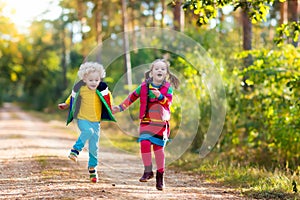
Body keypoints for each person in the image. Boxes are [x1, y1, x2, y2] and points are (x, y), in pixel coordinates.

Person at [112, 59, 180, 190]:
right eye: (157, 69)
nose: (160, 71)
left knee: (159, 151)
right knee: (144, 142)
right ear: (151, 72)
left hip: (160, 124)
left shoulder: (168, 89)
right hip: (146, 121)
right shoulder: (143, 87)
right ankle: (148, 170)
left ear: (166, 73)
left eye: (163, 69)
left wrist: (160, 96)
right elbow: (132, 97)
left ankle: (160, 177)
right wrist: (120, 107)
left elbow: (168, 103)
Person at [58, 62, 116, 183]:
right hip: (83, 119)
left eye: (97, 80)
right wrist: (66, 104)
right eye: (91, 80)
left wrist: (112, 107)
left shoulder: (102, 89)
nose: (94, 82)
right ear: (84, 79)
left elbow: (108, 99)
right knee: (87, 131)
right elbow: (72, 97)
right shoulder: (81, 88)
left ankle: (92, 169)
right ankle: (75, 150)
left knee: (94, 147)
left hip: (96, 122)